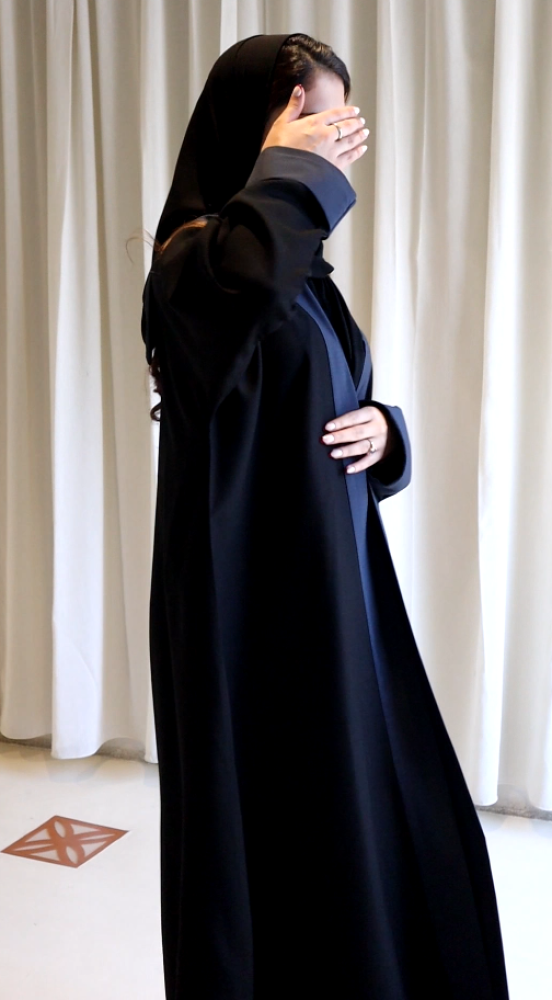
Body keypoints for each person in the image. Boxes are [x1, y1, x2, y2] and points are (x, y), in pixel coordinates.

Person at [141, 33, 509, 1000]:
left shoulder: (304, 278)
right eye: (307, 116)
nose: (329, 141)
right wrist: (288, 171)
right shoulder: (192, 266)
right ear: (250, 128)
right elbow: (242, 294)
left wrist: (386, 433)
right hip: (251, 605)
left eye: (337, 122)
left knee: (377, 801)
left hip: (333, 587)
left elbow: (330, 396)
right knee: (274, 814)